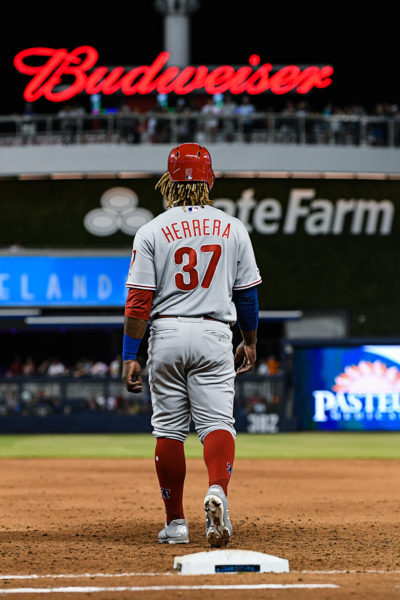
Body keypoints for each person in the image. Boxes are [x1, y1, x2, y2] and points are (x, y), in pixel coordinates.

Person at [122, 143, 261, 548]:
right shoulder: (233, 227)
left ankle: (176, 524)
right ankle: (217, 490)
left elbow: (138, 300)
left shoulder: (151, 230)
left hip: (165, 334)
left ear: (168, 182)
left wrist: (131, 353)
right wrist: (249, 341)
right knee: (218, 424)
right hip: (215, 331)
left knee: (168, 429)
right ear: (209, 180)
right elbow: (247, 295)